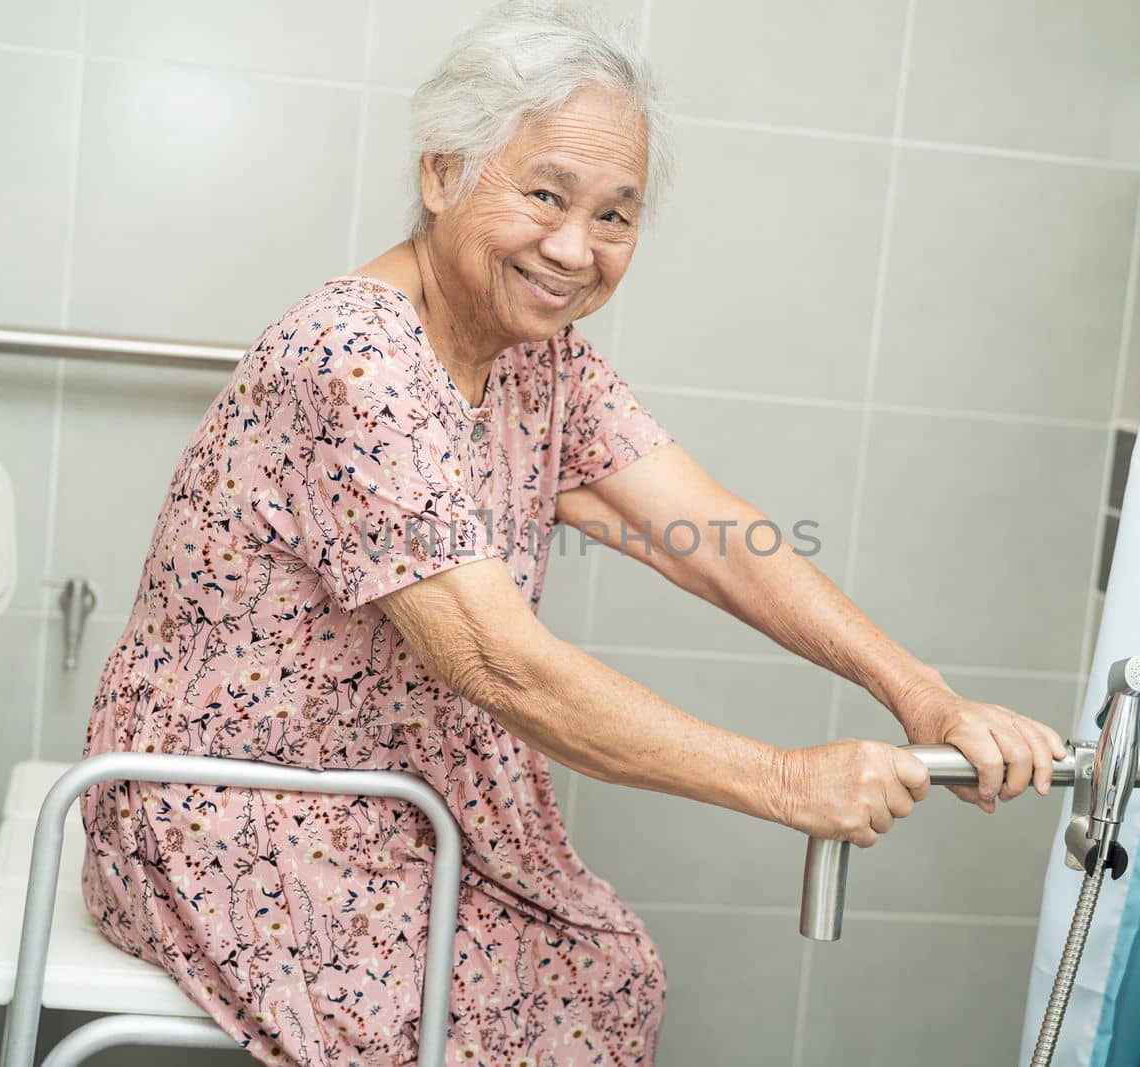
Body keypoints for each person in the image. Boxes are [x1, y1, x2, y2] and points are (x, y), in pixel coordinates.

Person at [79, 2, 1067, 1064]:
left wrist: (921, 690)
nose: (572, 248)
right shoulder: (354, 361)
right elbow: (499, 662)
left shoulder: (535, 356)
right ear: (441, 173)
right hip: (239, 812)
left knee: (604, 972)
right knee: (513, 1028)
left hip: (396, 799)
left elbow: (717, 534)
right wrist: (786, 783)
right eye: (544, 194)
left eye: (614, 215)